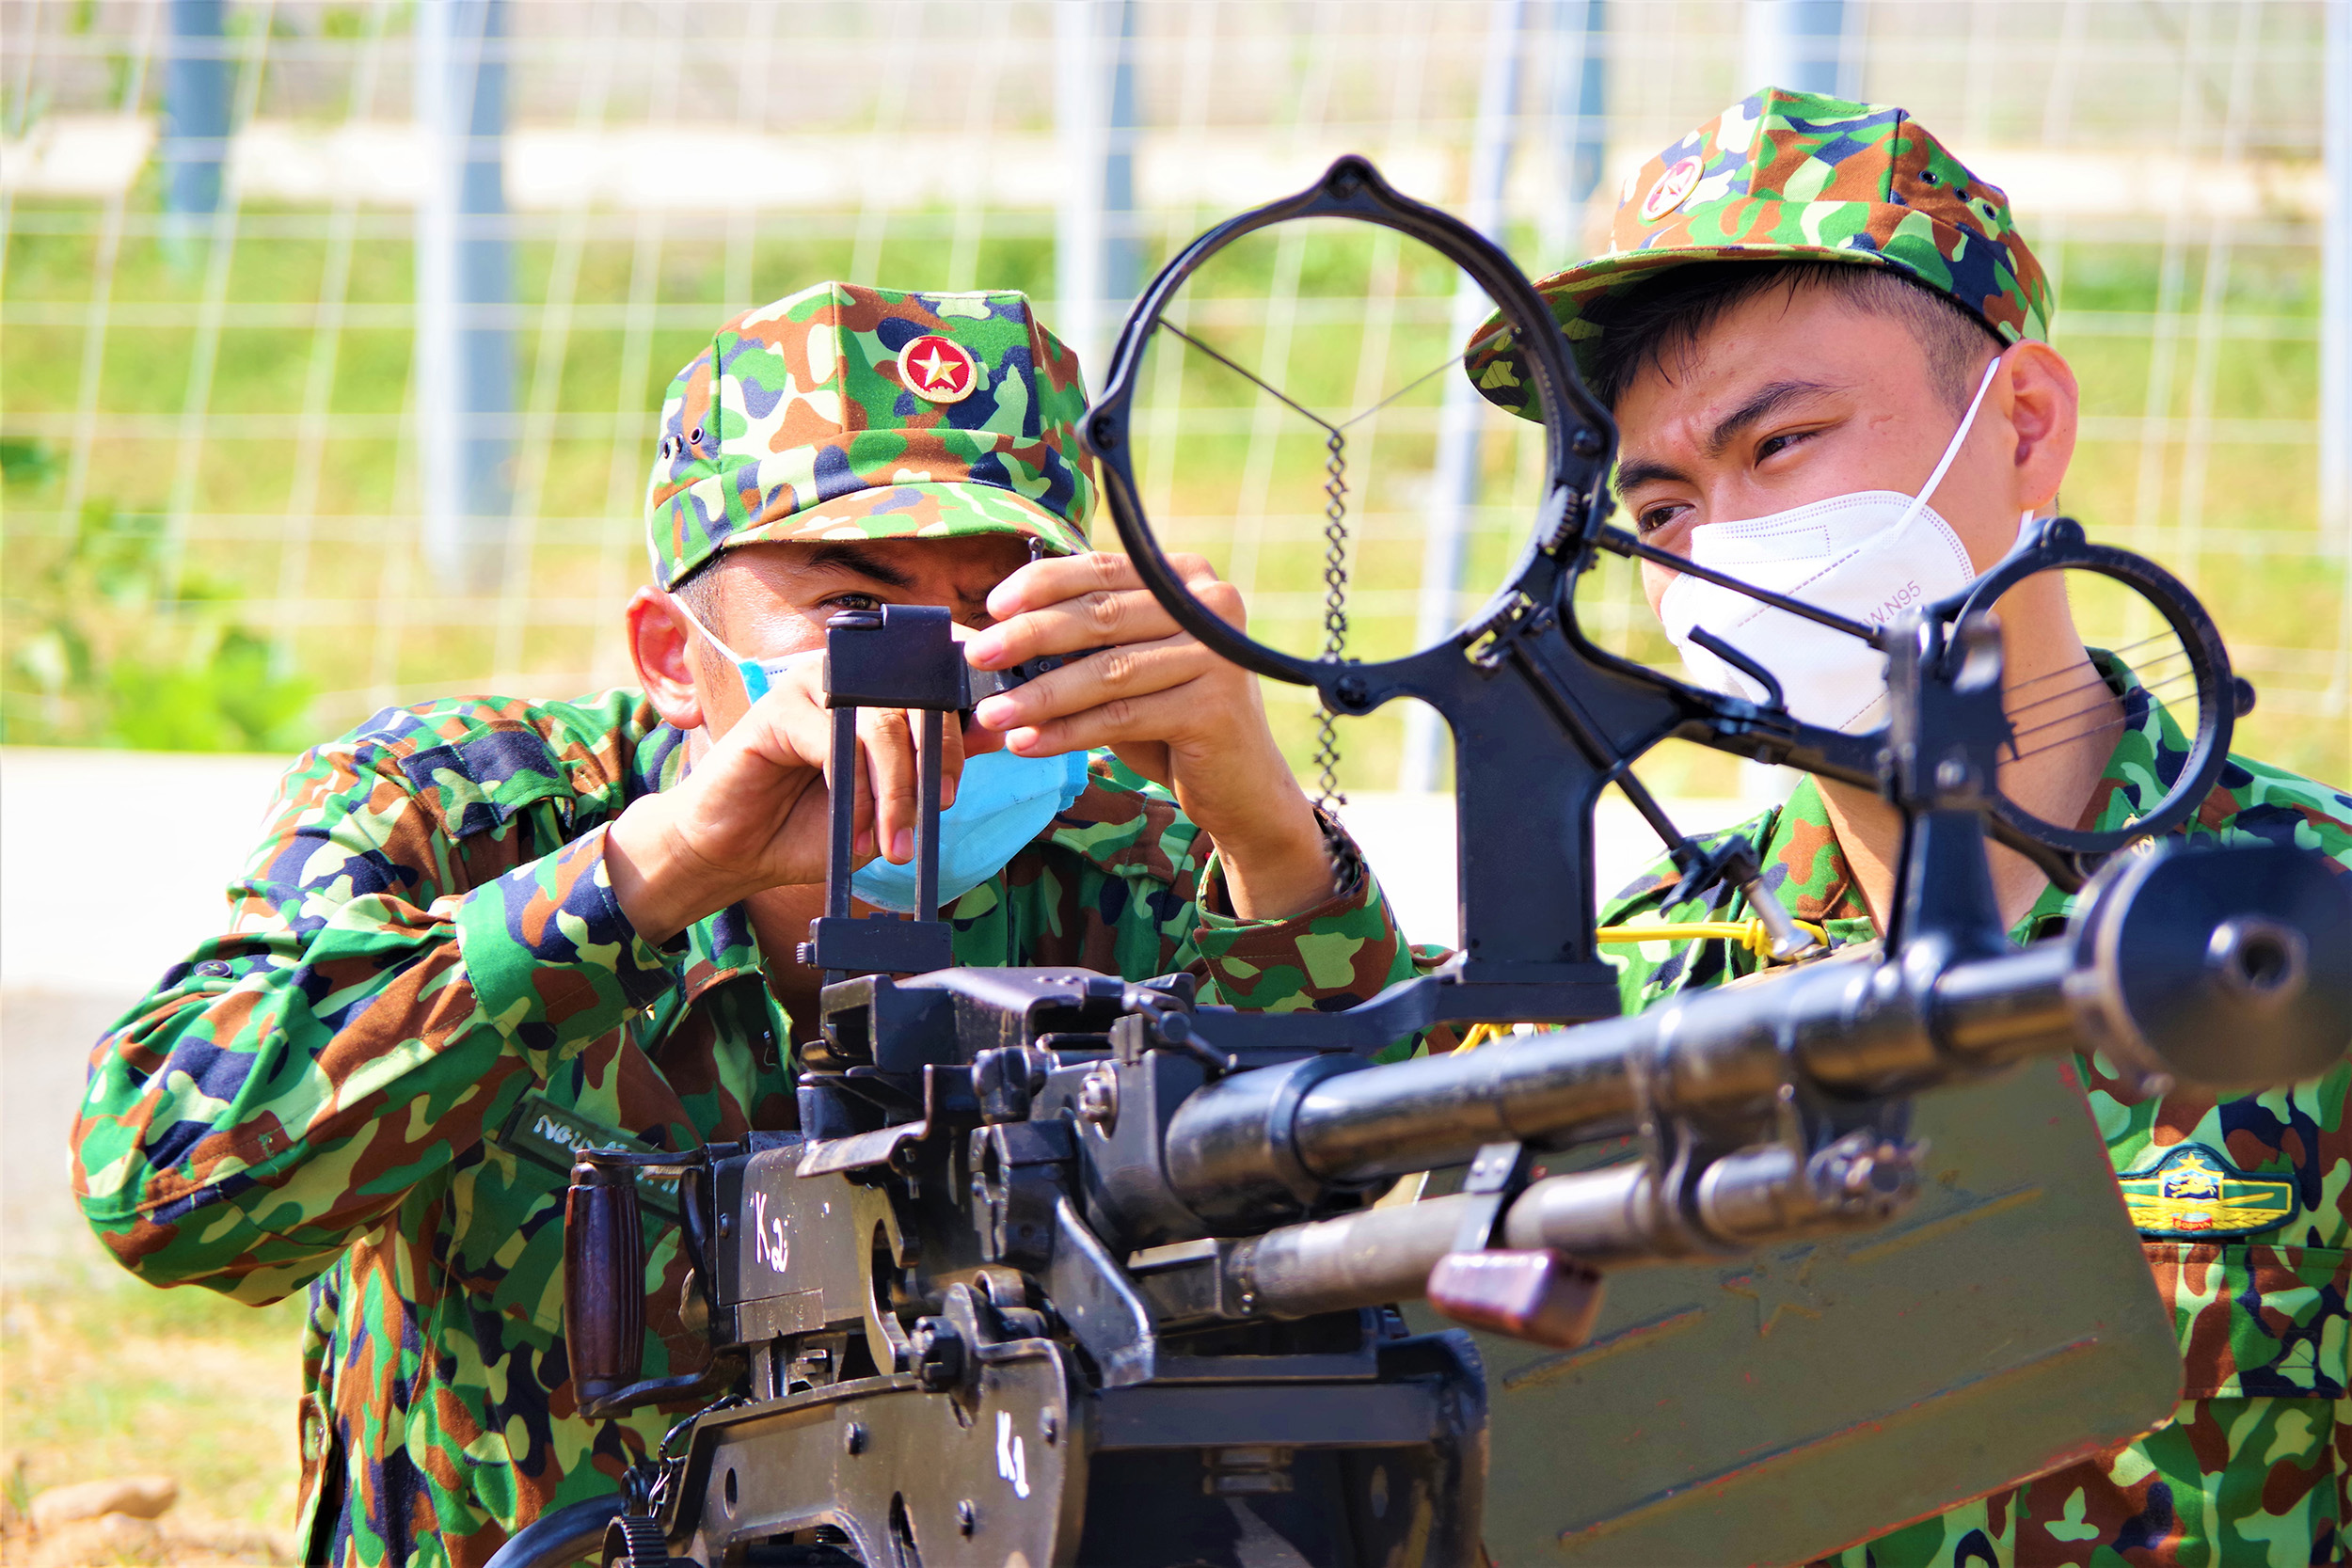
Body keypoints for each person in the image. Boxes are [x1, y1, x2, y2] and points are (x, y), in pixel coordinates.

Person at [71, 282, 1427, 1567]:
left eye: (995, 612)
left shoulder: (1131, 855)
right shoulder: (463, 818)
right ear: (674, 658)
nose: (938, 681)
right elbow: (172, 1187)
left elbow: (1381, 1225)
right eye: (861, 614)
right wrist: (651, 874)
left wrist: (1270, 840)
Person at [1465, 90, 2352, 1564]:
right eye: (1665, 503)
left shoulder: (2300, 926)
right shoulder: (1627, 988)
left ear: (2022, 423)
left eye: (1784, 444)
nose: (1723, 548)